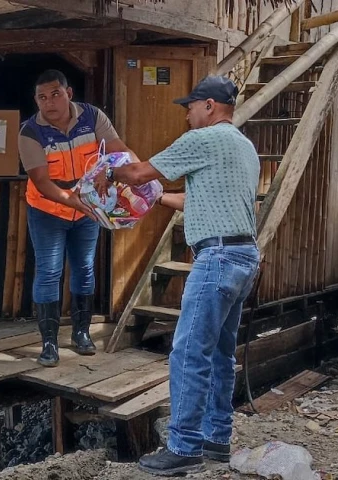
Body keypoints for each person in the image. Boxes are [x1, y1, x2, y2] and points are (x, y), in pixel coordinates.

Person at [93, 75, 260, 475]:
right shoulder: (244, 146)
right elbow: (197, 197)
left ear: (209, 106)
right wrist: (157, 199)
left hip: (216, 257)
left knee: (188, 353)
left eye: (190, 107)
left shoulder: (201, 140)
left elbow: (137, 173)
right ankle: (217, 440)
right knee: (219, 353)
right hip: (244, 255)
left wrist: (110, 176)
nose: (187, 115)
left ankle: (183, 447)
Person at [18, 69, 139, 367]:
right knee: (49, 271)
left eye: (55, 94)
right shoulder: (30, 132)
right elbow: (42, 182)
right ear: (36, 100)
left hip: (86, 210)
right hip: (48, 211)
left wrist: (138, 175)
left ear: (69, 93)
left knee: (85, 267)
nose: (49, 102)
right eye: (42, 97)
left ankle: (82, 333)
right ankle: (48, 342)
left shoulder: (93, 117)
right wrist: (76, 201)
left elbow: (119, 151)